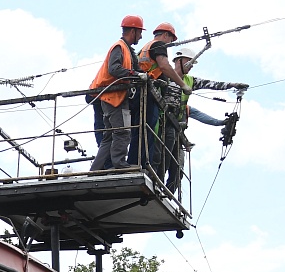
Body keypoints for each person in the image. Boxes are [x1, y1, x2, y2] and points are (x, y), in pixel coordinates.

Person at [163, 49, 249, 191]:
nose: (191, 66)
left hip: (176, 132)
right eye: (189, 62)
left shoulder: (190, 81)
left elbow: (211, 85)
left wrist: (233, 85)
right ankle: (157, 186)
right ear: (179, 61)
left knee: (178, 169)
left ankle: (166, 193)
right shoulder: (165, 76)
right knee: (162, 162)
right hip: (163, 128)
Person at [128, 22, 190, 174]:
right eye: (171, 39)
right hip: (149, 93)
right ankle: (143, 165)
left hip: (137, 93)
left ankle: (133, 163)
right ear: (166, 35)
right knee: (147, 130)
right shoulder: (159, 45)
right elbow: (164, 66)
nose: (170, 44)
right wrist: (182, 85)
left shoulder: (145, 47)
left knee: (138, 129)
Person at [89, 15, 145, 171]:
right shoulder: (119, 47)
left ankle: (95, 170)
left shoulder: (127, 49)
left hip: (111, 97)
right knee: (122, 132)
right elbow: (114, 69)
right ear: (133, 31)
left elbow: (133, 68)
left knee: (108, 137)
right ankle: (120, 165)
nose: (141, 37)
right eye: (140, 32)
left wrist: (141, 74)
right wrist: (135, 75)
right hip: (113, 97)